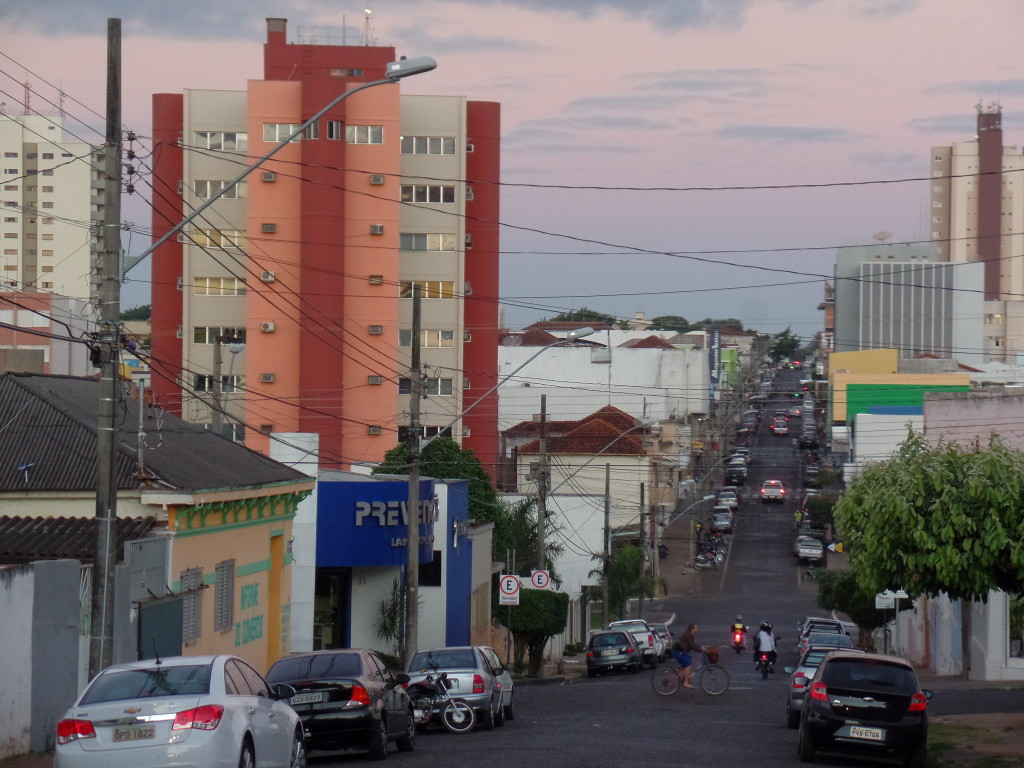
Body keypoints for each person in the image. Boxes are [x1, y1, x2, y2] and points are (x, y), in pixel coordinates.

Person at [671, 623, 704, 689]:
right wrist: (701, 649)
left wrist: (701, 647)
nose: (697, 629)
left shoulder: (690, 635)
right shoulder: (688, 636)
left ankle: (679, 670)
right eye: (696, 628)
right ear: (692, 629)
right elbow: (692, 645)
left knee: (691, 661)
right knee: (688, 665)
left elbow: (693, 645)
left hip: (681, 652)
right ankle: (686, 682)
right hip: (678, 652)